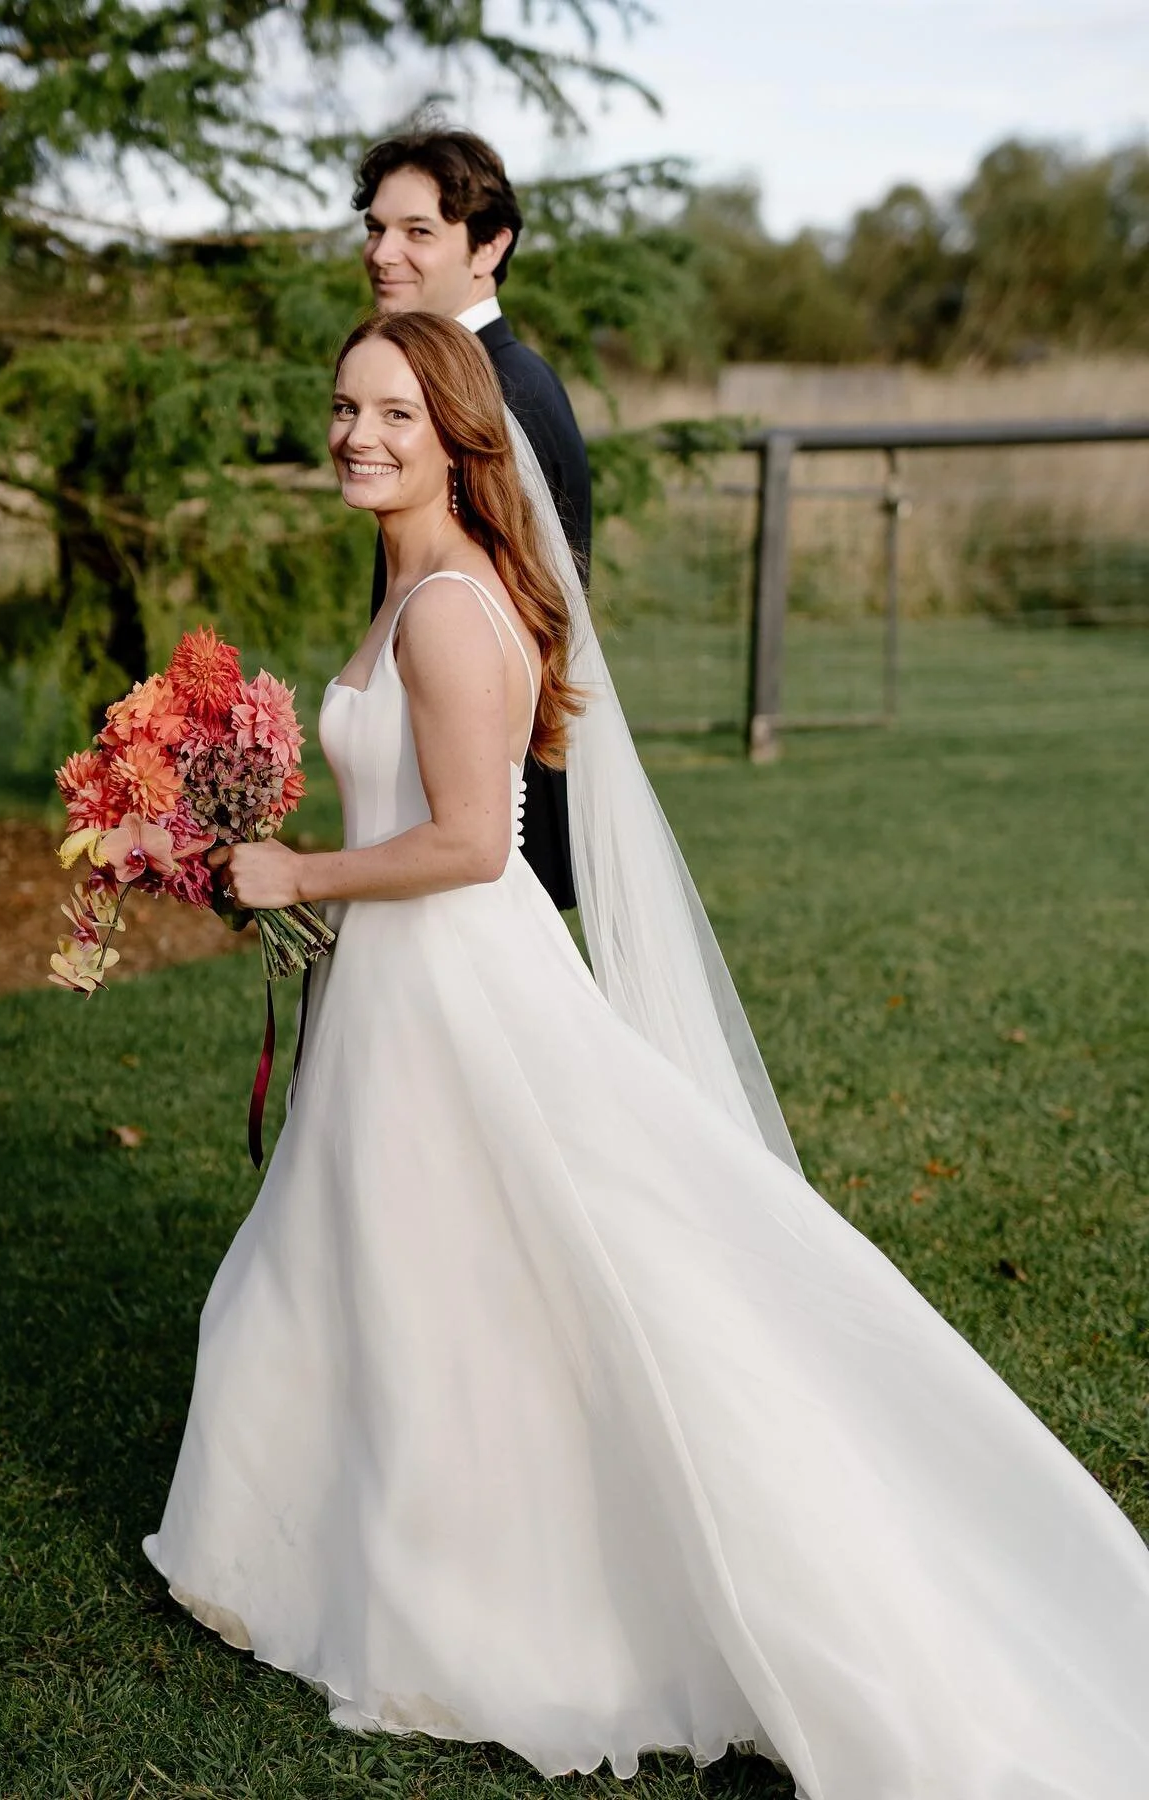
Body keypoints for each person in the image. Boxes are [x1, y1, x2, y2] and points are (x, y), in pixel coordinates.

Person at [144, 312, 1149, 1796]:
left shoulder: (443, 603)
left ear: (458, 435)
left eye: (395, 416)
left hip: (459, 1000)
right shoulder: (413, 579)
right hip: (406, 995)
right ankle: (347, 1556)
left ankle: (500, 1596)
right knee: (358, 1281)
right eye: (346, 408)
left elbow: (480, 843)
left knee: (495, 1284)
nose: (359, 435)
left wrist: (295, 879)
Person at [355, 127, 586, 910]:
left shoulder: (499, 395)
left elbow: (498, 619)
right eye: (376, 227)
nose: (384, 253)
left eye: (418, 231)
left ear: (489, 247)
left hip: (481, 825)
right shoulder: (450, 375)